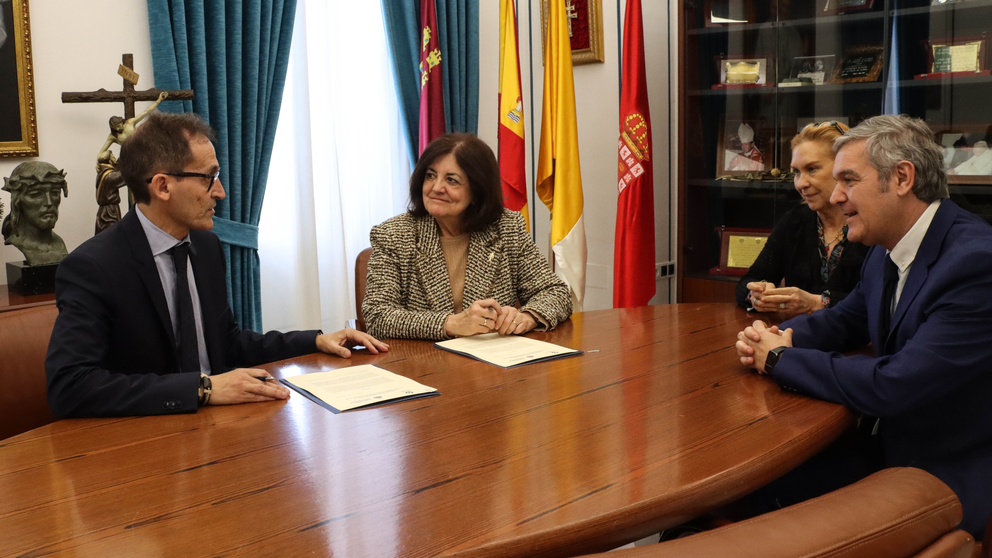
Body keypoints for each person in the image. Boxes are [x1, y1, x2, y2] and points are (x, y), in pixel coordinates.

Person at [735, 114, 992, 538]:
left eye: (849, 180)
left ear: (902, 178)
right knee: (746, 490)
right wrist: (781, 337)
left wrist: (779, 358)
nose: (835, 197)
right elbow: (845, 320)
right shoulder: (887, 246)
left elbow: (895, 384)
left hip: (946, 472)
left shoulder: (975, 263)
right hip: (886, 447)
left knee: (762, 508)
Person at [45, 111, 389, 418]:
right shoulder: (94, 267)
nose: (220, 191)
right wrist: (203, 388)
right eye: (208, 177)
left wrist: (314, 340)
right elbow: (71, 386)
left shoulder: (205, 246)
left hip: (220, 427)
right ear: (163, 186)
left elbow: (226, 344)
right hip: (146, 440)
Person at [363, 133, 572, 341]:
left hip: (492, 365)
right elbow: (378, 315)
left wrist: (527, 316)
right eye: (430, 175)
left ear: (477, 191)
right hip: (424, 363)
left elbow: (555, 292)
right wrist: (451, 324)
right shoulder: (394, 235)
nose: (436, 188)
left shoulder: (506, 228)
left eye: (451, 180)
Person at [736, 121, 869, 318]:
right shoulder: (795, 221)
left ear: (844, 169)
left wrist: (818, 303)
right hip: (795, 338)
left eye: (812, 169)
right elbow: (749, 281)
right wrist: (758, 294)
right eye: (796, 172)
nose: (800, 184)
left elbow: (879, 303)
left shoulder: (872, 225)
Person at [94, 91, 168, 234]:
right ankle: (135, 219)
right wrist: (97, 162)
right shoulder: (113, 136)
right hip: (127, 160)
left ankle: (147, 217)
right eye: (117, 129)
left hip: (140, 156)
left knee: (145, 185)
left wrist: (158, 100)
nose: (120, 129)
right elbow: (102, 150)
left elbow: (146, 112)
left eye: (120, 126)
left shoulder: (130, 123)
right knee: (131, 187)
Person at [1, 161, 69, 265]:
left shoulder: (59, 244)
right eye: (36, 194)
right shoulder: (19, 242)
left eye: (55, 193)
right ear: (17, 201)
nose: (49, 202)